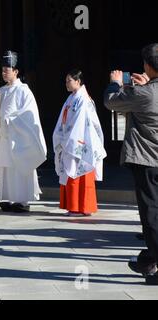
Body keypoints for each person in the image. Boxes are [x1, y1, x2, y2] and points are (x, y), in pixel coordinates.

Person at [104, 43, 158, 285]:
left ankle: (153, 261)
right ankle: (148, 260)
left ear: (147, 65)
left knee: (151, 215)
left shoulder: (143, 93)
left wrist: (115, 82)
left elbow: (111, 102)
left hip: (147, 160)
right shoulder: (147, 91)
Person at [0, 51, 47, 213]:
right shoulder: (1, 91)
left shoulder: (24, 91)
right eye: (3, 70)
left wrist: (8, 122)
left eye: (8, 70)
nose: (4, 73)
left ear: (16, 71)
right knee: (6, 167)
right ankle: (7, 197)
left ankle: (22, 199)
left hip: (18, 137)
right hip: (4, 135)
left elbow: (28, 116)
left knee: (19, 166)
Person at [53, 70, 107, 217]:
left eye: (69, 81)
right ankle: (73, 206)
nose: (66, 84)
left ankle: (79, 207)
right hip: (69, 138)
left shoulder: (83, 99)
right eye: (66, 81)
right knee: (71, 172)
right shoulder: (71, 98)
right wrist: (60, 135)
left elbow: (82, 123)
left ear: (78, 81)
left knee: (78, 173)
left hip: (80, 141)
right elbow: (63, 121)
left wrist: (69, 139)